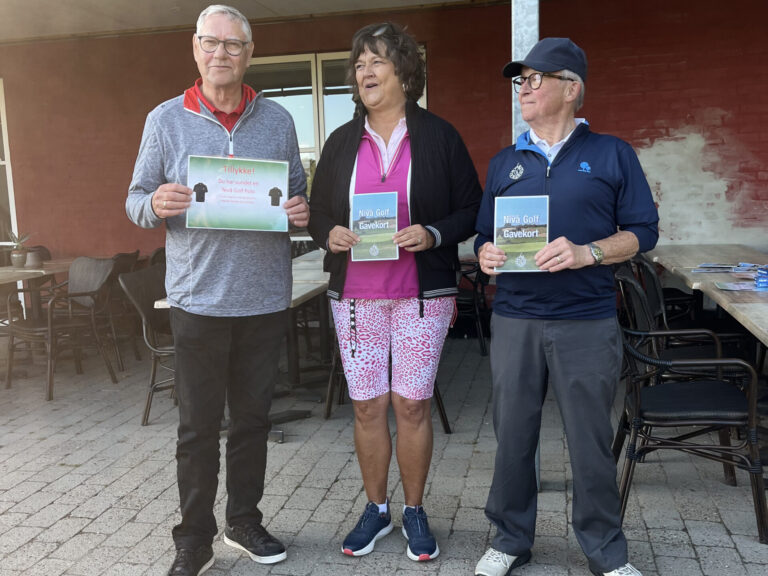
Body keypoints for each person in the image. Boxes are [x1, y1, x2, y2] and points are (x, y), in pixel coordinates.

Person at [125, 5, 308, 576]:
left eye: (233, 45)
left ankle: (243, 521)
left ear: (249, 54)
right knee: (198, 429)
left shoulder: (277, 120)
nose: (221, 53)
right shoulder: (165, 119)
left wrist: (300, 211)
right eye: (211, 43)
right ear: (195, 48)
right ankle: (194, 537)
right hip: (197, 299)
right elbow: (135, 200)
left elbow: (296, 197)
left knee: (252, 422)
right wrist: (155, 203)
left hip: (263, 298)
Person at [473, 38, 659, 576]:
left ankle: (605, 551)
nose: (523, 89)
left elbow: (643, 232)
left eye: (535, 79)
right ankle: (510, 539)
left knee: (590, 441)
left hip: (586, 320)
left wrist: (587, 253)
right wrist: (485, 253)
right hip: (516, 318)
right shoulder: (506, 162)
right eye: (520, 81)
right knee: (513, 438)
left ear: (571, 88)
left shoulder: (612, 154)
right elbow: (484, 234)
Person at [308, 22, 482, 563]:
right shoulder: (341, 142)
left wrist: (432, 233)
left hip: (421, 295)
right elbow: (317, 213)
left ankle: (414, 510)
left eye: (377, 61)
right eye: (359, 64)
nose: (365, 71)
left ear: (405, 72)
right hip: (356, 298)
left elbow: (471, 208)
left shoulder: (440, 136)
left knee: (411, 404)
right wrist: (329, 233)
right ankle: (376, 508)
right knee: (366, 408)